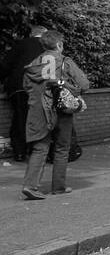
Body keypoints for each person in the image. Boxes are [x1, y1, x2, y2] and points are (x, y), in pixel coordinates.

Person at [20, 30, 89, 200]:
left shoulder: (34, 64)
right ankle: (58, 187)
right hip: (61, 111)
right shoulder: (66, 61)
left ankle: (30, 186)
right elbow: (84, 84)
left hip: (39, 111)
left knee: (40, 148)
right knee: (61, 148)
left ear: (43, 45)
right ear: (59, 45)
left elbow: (27, 87)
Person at [4, 24, 47, 162]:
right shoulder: (49, 46)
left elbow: (5, 65)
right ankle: (40, 151)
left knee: (20, 118)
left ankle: (20, 152)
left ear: (32, 34)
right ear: (44, 34)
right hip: (41, 87)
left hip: (19, 86)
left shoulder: (21, 44)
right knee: (42, 119)